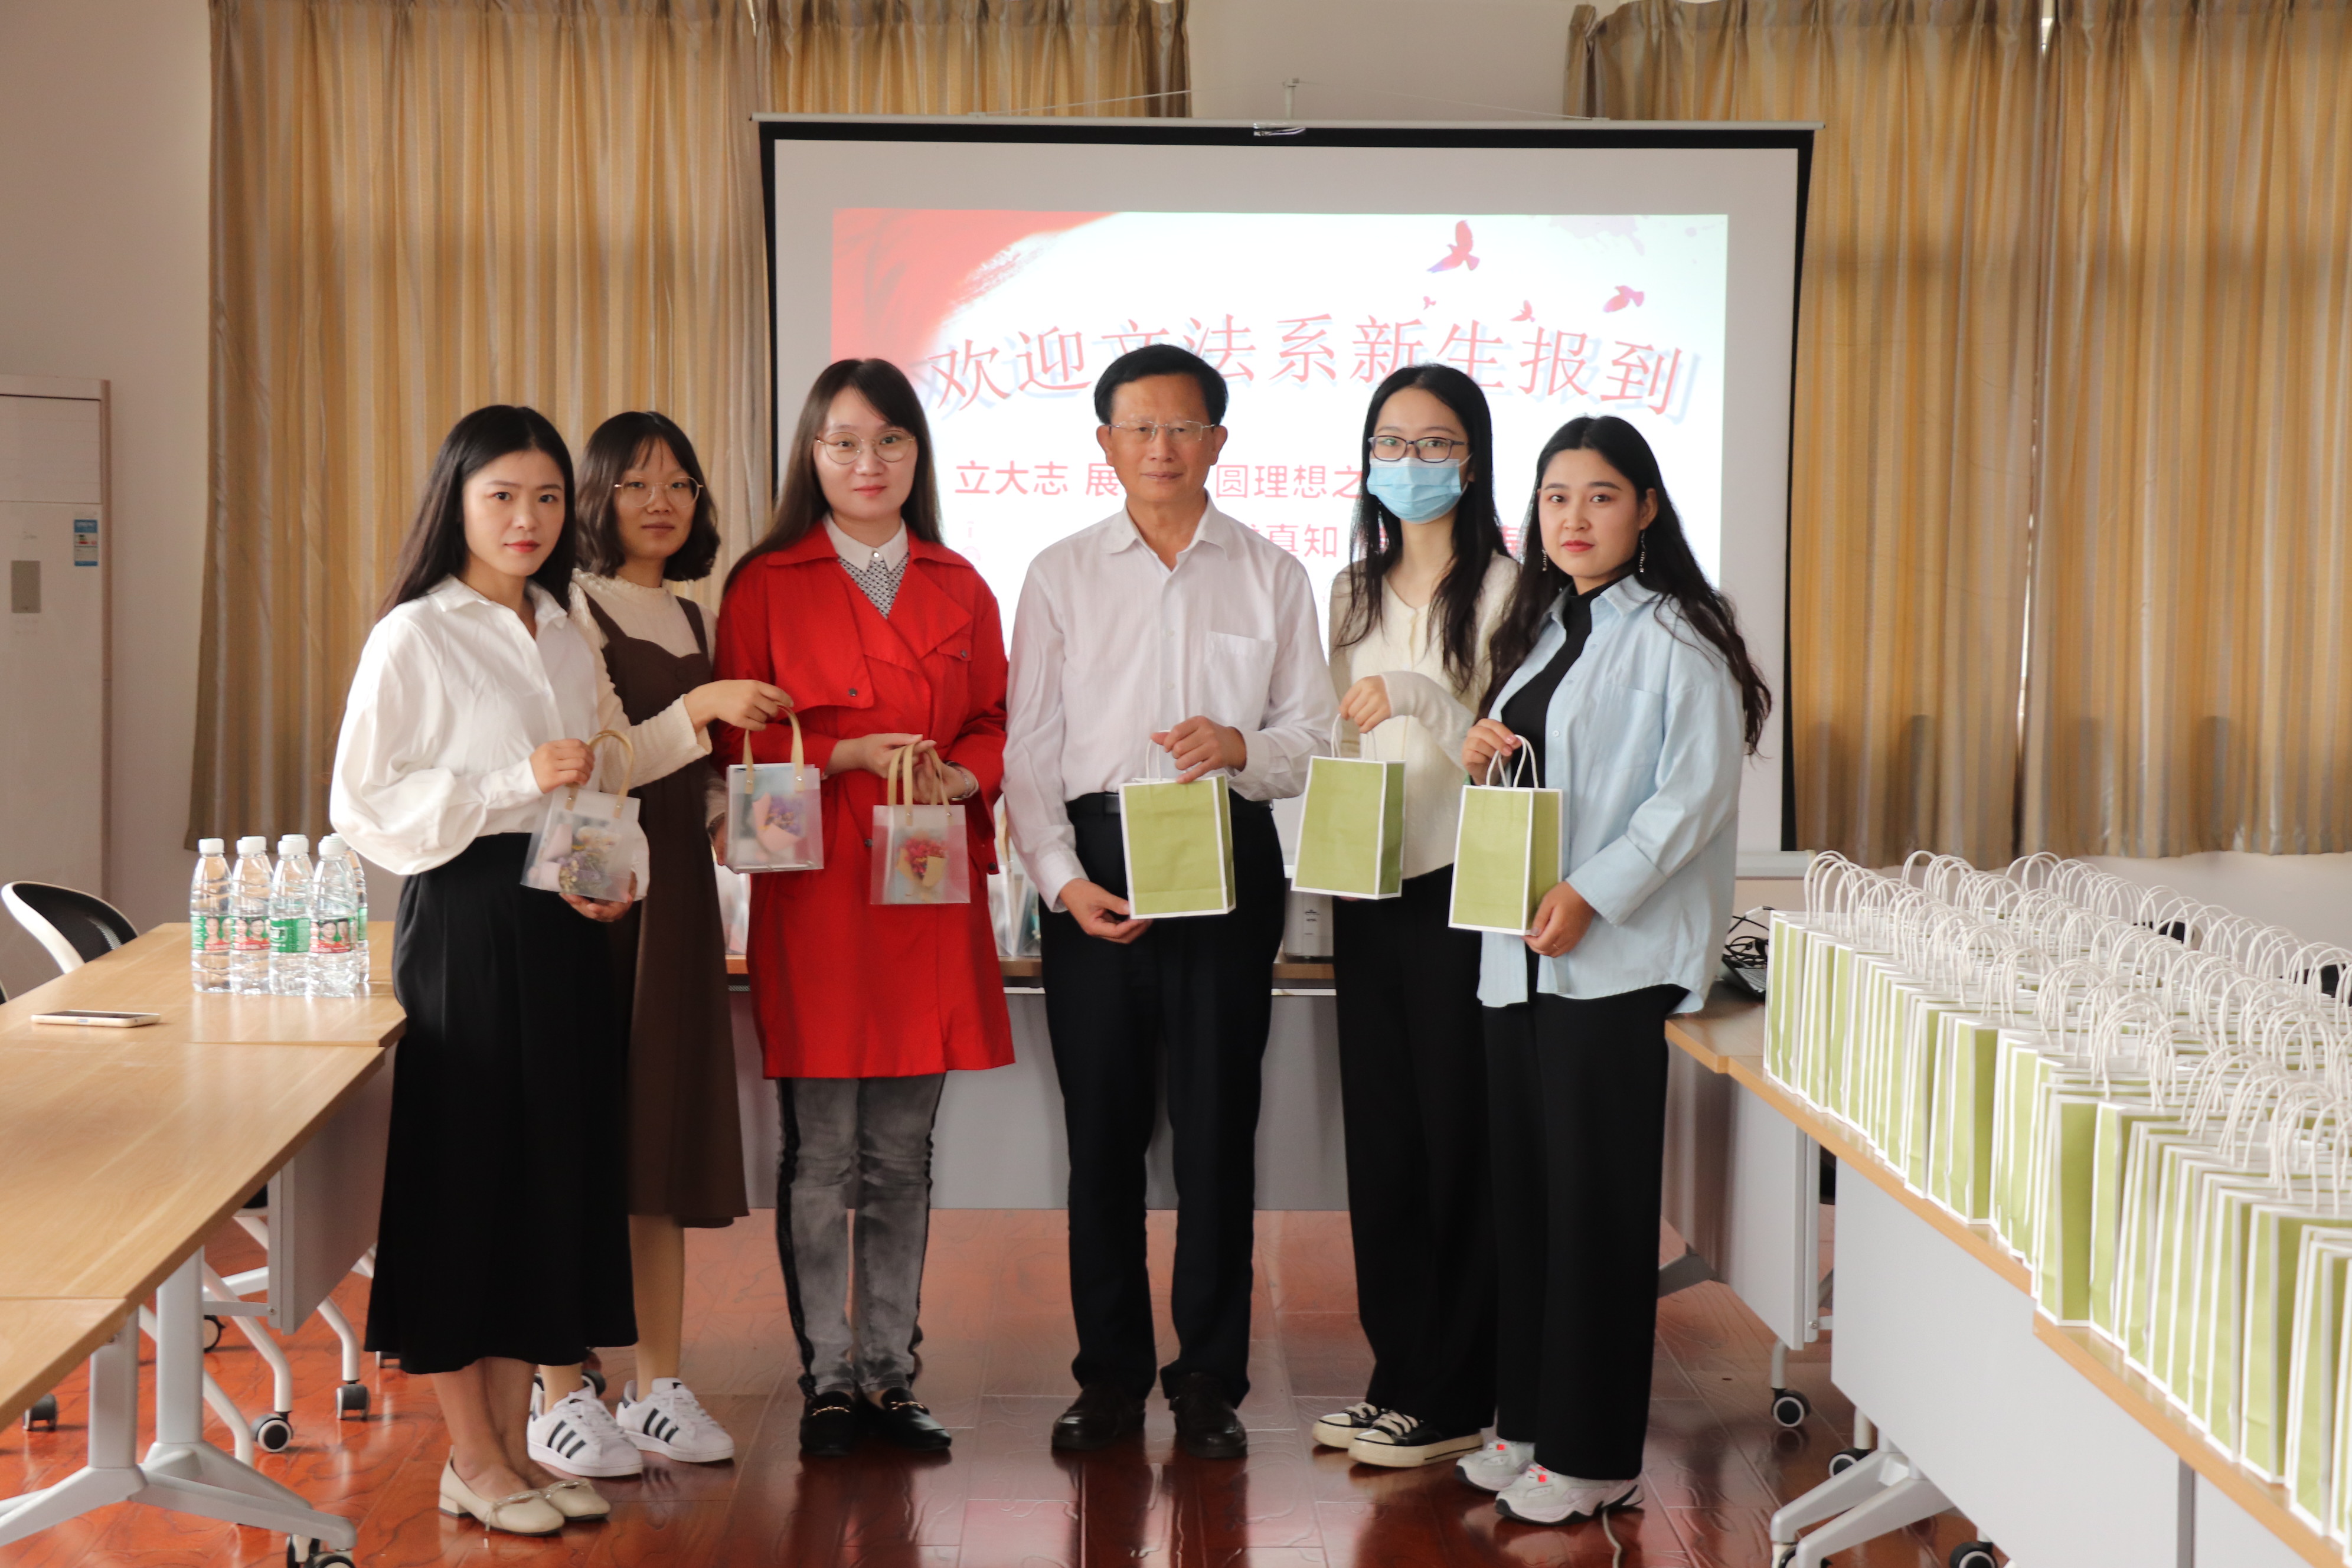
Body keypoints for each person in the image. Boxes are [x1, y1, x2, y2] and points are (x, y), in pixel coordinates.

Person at [330, 405, 710, 1533]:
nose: (527, 518)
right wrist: (510, 780)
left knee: (545, 1181)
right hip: (467, 918)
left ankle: (513, 1453)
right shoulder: (416, 635)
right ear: (456, 503)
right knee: (468, 1182)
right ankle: (472, 1455)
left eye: (546, 497)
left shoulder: (563, 625)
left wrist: (615, 873)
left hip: (562, 916)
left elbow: (599, 772)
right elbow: (363, 806)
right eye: (502, 496)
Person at [1003, 343, 1335, 1460]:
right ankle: (1107, 1378)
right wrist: (1063, 881)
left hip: (1224, 858)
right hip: (1097, 863)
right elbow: (1029, 749)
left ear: (1218, 441)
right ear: (1105, 443)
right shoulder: (1059, 573)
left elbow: (1312, 738)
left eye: (1183, 427)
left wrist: (1241, 745)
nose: (1161, 447)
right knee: (1101, 1139)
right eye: (1139, 428)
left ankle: (1208, 1382)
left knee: (1216, 1135)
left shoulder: (1272, 573)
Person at [1452, 415, 1770, 1527]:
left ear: (1646, 508)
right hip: (1522, 959)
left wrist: (1592, 893)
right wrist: (1479, 748)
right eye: (1555, 498)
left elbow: (1692, 800)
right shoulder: (1546, 629)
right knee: (1529, 1203)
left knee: (1593, 1209)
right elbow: (1542, 774)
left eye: (1599, 496)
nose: (1574, 518)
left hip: (1611, 960)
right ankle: (1530, 1425)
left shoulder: (1679, 634)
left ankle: (1593, 1455)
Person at [713, 358, 1013, 1458]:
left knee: (901, 1156)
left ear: (917, 454)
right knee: (823, 1156)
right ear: (813, 455)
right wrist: (842, 754)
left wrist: (963, 775)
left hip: (922, 889)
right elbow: (733, 738)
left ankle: (891, 1374)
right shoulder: (765, 583)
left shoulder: (960, 582)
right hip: (820, 893)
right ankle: (827, 1380)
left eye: (890, 440)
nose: (868, 462)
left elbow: (997, 719)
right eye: (843, 442)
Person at [525, 412, 790, 1478]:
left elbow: (701, 773)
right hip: (596, 896)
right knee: (577, 1136)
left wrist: (740, 819)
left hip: (675, 892)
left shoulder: (691, 611)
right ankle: (558, 1387)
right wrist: (704, 705)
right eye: (636, 484)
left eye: (679, 483)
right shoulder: (567, 609)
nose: (661, 503)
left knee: (659, 1135)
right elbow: (595, 762)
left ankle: (659, 1384)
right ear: (595, 497)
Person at [1311, 365, 1516, 1469]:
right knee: (1384, 1141)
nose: (1412, 462)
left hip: (1462, 883)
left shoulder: (1509, 590)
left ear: (1472, 462)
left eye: (1436, 444)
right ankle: (1398, 1375)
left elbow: (1509, 747)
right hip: (1368, 881)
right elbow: (1330, 736)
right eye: (1392, 442)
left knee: (1457, 1139)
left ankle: (1457, 1389)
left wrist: (1426, 700)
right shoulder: (1350, 591)